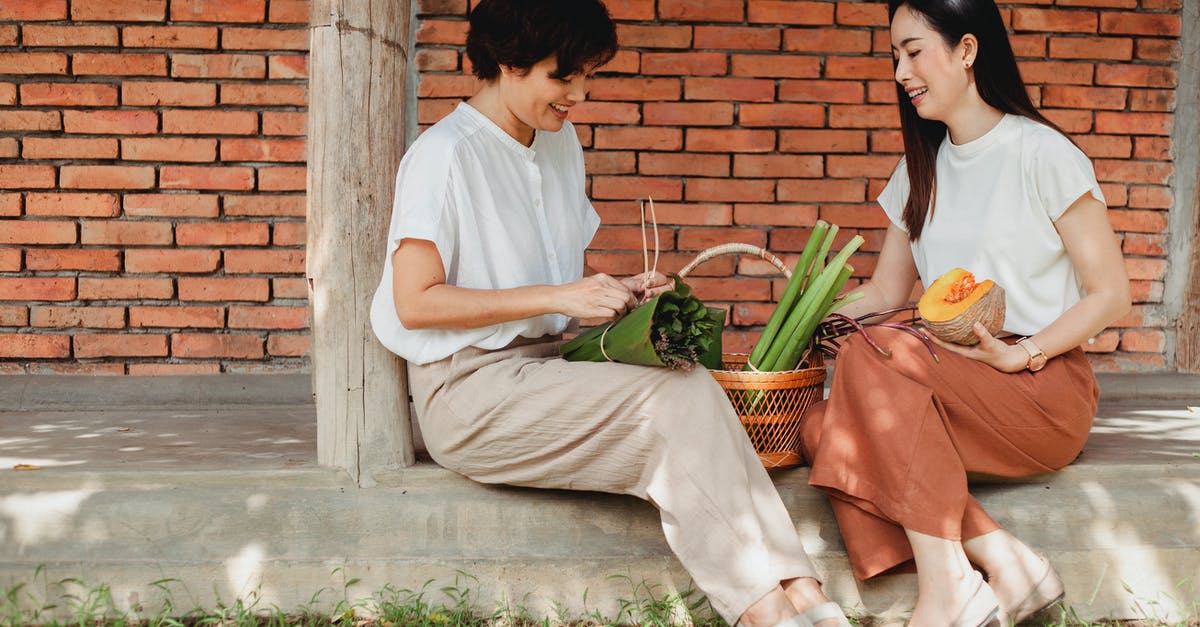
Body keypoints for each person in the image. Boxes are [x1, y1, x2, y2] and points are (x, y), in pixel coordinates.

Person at [370, 1, 852, 625]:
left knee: (693, 384)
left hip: (545, 369)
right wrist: (560, 295)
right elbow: (415, 302)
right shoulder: (444, 156)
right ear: (509, 63)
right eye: (563, 76)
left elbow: (546, 290)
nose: (579, 94)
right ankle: (768, 613)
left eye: (588, 75)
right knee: (673, 407)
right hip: (468, 391)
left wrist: (616, 292)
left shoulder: (557, 143)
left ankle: (805, 595)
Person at [797, 0, 1131, 625]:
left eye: (914, 50)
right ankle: (1004, 561)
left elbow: (1112, 293)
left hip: (1038, 384)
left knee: (880, 352)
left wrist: (1023, 351)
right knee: (821, 427)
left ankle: (950, 588)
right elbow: (883, 295)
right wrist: (801, 309)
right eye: (894, 55)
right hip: (944, 379)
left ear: (968, 50)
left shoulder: (1043, 153)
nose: (901, 69)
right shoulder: (918, 169)